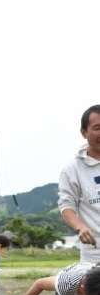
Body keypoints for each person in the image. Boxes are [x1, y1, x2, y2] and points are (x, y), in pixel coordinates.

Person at [58, 104, 100, 263]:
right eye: (97, 128)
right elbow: (67, 206)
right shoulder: (72, 170)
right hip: (94, 256)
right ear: (84, 132)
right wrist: (80, 227)